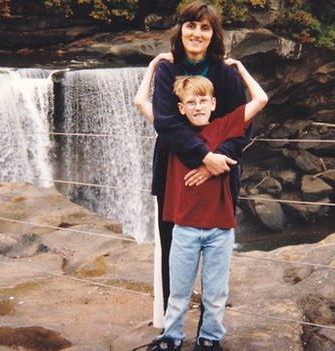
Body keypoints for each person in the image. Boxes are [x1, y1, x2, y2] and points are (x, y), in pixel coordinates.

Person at [137, 0, 252, 340]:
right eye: (191, 26)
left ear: (213, 34)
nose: (197, 33)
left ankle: (208, 330)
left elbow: (243, 125)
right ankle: (172, 333)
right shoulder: (168, 70)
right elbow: (167, 124)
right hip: (175, 172)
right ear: (181, 29)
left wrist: (216, 163)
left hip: (222, 173)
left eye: (205, 28)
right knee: (174, 253)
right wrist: (203, 157)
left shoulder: (226, 73)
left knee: (215, 261)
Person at [145, 66, 267, 350]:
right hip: (185, 229)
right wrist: (153, 67)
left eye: (203, 101)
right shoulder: (174, 134)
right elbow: (141, 103)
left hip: (220, 229)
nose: (197, 106)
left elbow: (260, 99)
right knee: (178, 292)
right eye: (191, 102)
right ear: (181, 107)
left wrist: (240, 70)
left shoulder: (224, 126)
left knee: (215, 293)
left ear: (213, 103)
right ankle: (171, 337)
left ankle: (210, 338)